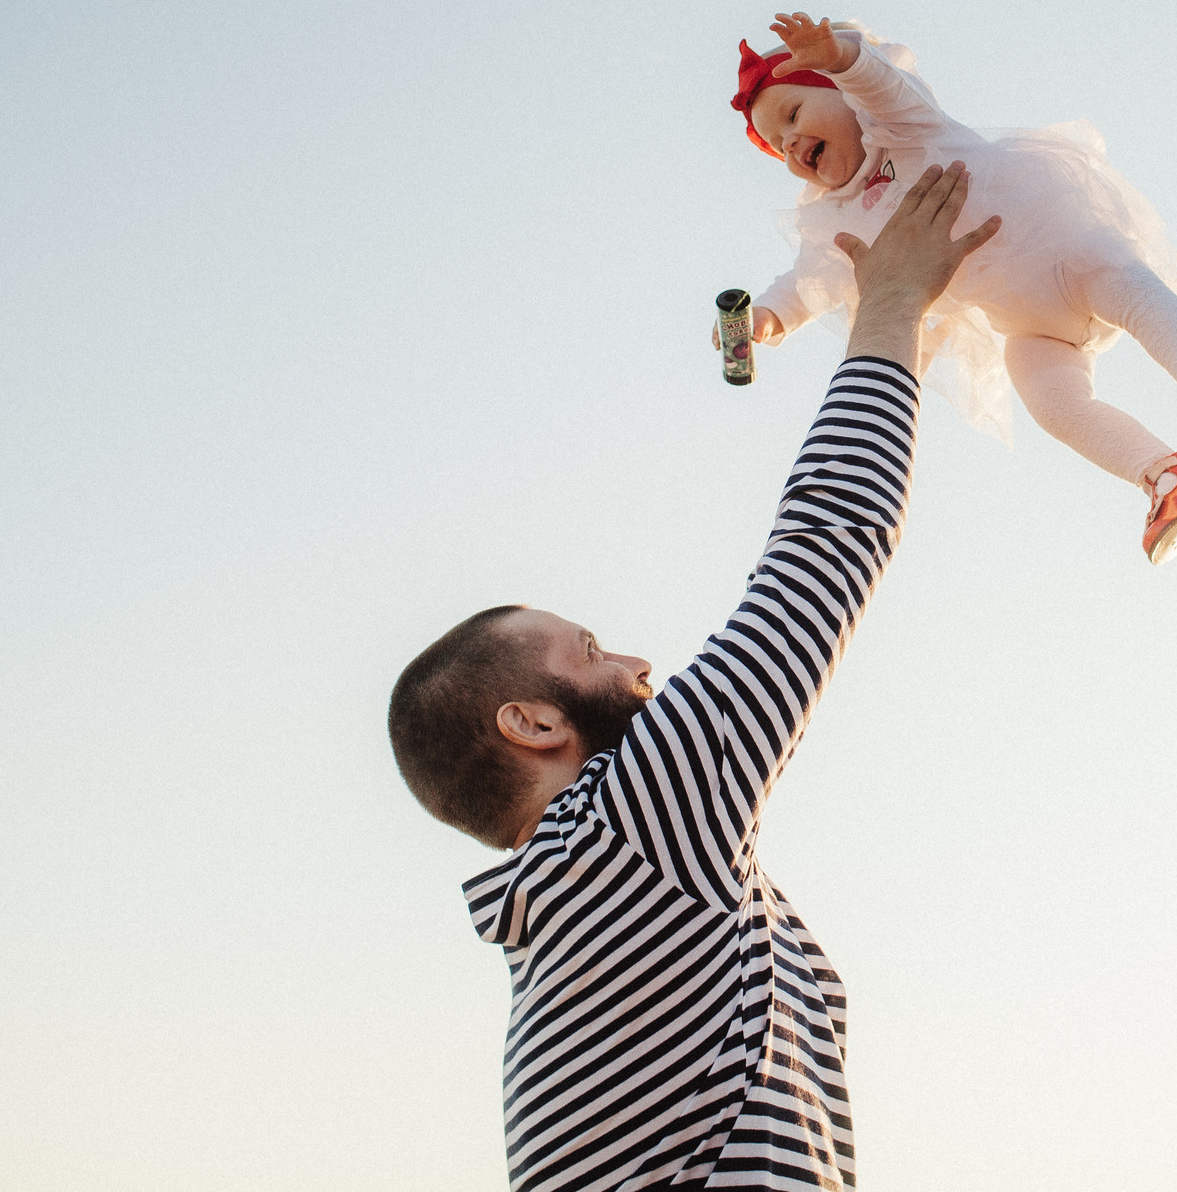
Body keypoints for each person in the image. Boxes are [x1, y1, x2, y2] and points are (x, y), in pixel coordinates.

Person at [387, 162, 998, 1192]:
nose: (637, 664)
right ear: (530, 723)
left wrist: (909, 340)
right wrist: (890, 302)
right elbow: (821, 550)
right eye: (590, 651)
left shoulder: (580, 912)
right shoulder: (619, 840)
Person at [729, 11, 1177, 565]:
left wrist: (841, 58)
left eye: (794, 115)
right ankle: (1169, 478)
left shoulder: (903, 126)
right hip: (1030, 326)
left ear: (841, 94)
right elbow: (808, 281)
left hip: (1065, 256)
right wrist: (766, 317)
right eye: (778, 146)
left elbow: (880, 84)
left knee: (1125, 287)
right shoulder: (835, 216)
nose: (791, 144)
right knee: (1052, 405)